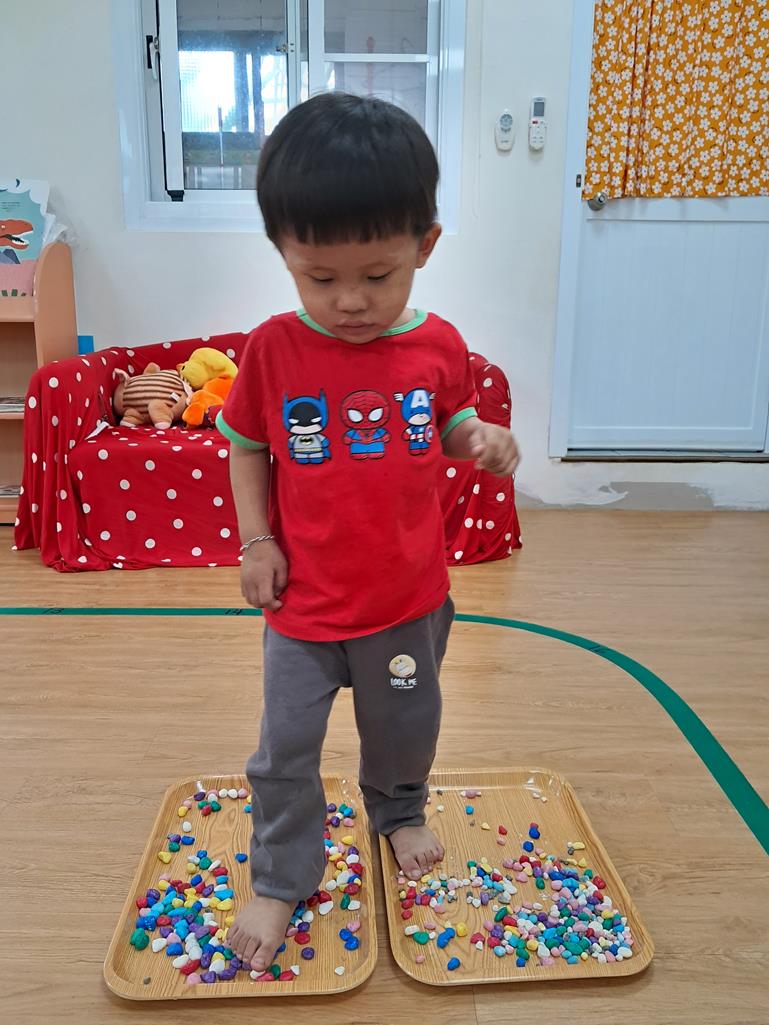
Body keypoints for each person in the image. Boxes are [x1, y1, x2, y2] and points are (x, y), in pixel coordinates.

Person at [218, 92, 520, 973]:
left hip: (404, 603)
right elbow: (246, 447)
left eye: (378, 276)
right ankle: (281, 872)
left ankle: (397, 810)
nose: (350, 301)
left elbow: (448, 425)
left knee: (403, 727)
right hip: (304, 609)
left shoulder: (438, 346)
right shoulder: (272, 349)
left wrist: (480, 438)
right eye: (319, 278)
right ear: (282, 251)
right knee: (284, 748)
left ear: (425, 245)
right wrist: (256, 541)